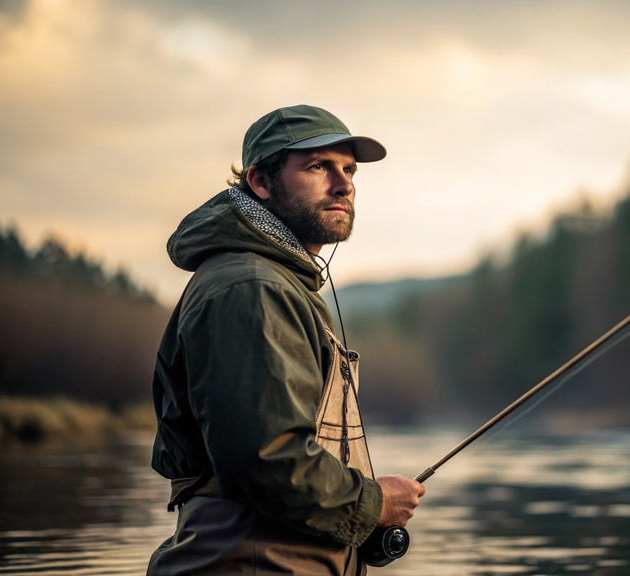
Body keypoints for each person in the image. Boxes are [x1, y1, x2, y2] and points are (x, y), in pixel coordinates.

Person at [148, 104, 424, 575]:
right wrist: (372, 503)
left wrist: (357, 520)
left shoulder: (275, 283)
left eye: (349, 169)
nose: (344, 184)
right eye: (319, 167)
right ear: (260, 182)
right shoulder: (253, 288)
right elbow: (266, 461)